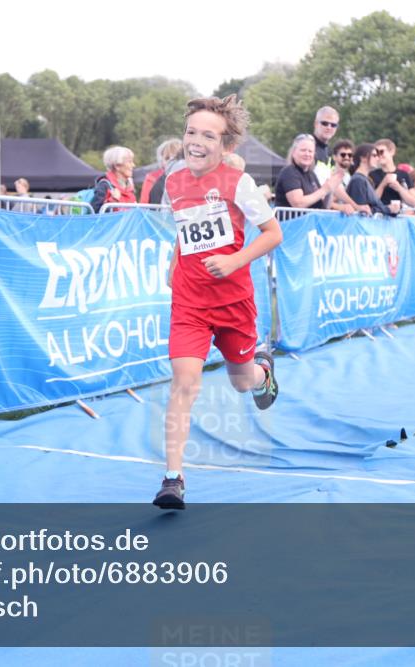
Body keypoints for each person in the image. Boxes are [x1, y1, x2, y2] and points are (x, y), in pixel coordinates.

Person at [153, 95, 282, 510]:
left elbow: (272, 233)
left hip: (233, 302)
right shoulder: (173, 181)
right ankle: (173, 479)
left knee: (242, 382)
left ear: (226, 146)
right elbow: (185, 228)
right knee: (184, 382)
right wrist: (175, 261)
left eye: (208, 135)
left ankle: (264, 371)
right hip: (190, 302)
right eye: (191, 132)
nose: (195, 140)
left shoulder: (238, 183)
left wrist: (235, 259)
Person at [273, 134, 344, 210]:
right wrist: (324, 190)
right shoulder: (289, 172)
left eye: (310, 151)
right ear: (293, 153)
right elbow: (298, 203)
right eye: (303, 150)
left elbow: (324, 206)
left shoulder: (312, 174)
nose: (307, 154)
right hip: (291, 221)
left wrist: (330, 189)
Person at [345, 143, 395, 216]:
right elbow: (362, 212)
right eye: (374, 155)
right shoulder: (358, 180)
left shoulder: (366, 180)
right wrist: (388, 209)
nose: (378, 158)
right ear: (363, 158)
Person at [370, 139, 415, 210]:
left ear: (392, 152)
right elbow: (371, 201)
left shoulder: (404, 174)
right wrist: (383, 184)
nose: (379, 155)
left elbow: (414, 203)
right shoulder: (372, 174)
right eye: (376, 153)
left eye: (381, 152)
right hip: (378, 217)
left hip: (397, 218)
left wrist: (399, 188)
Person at [91, 146, 137, 213]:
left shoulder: (130, 187)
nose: (133, 165)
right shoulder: (104, 185)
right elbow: (94, 213)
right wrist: (113, 201)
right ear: (117, 166)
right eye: (129, 162)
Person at [140, 138, 183, 204]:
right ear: (161, 160)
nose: (171, 162)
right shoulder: (154, 180)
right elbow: (145, 205)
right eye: (167, 158)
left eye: (176, 158)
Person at [311, 106, 340, 176]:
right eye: (324, 123)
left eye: (333, 125)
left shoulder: (330, 152)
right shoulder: (306, 147)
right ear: (316, 124)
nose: (329, 127)